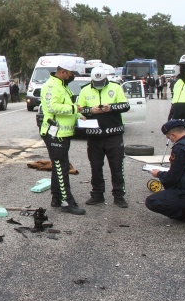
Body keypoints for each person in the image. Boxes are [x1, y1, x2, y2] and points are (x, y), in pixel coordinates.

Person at [77, 67, 130, 208]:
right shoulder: (85, 90)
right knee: (95, 167)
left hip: (114, 135)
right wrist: (91, 110)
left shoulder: (116, 87)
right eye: (96, 82)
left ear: (106, 78)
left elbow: (125, 106)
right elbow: (78, 110)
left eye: (101, 82)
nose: (98, 84)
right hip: (94, 137)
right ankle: (97, 194)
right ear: (92, 80)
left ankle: (119, 196)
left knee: (117, 167)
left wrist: (111, 107)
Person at [39, 58, 85, 215]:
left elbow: (67, 106)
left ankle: (57, 198)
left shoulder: (63, 86)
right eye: (71, 74)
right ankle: (67, 202)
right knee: (62, 167)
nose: (73, 76)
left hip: (63, 132)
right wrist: (74, 109)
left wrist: (79, 114)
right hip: (55, 133)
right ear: (63, 72)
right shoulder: (52, 86)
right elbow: (53, 106)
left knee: (58, 166)